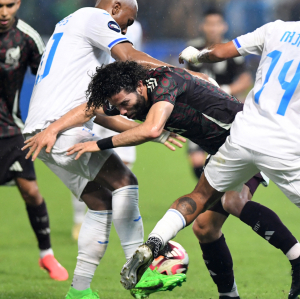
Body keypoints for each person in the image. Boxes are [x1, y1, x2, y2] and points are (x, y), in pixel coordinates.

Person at [123, 0, 300, 298]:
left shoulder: (277, 29)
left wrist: (197, 55)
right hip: (288, 144)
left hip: (244, 134)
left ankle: (155, 242)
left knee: (200, 199)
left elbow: (221, 51)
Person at [45, 60, 300, 299]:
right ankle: (230, 295)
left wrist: (98, 144)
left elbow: (151, 129)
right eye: (119, 107)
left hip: (249, 138)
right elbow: (88, 109)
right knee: (205, 228)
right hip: (223, 150)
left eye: (125, 104)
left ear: (139, 85)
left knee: (233, 201)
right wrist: (52, 129)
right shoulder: (130, 94)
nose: (124, 112)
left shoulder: (164, 82)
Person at [20, 1, 185, 298]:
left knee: (100, 202)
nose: (126, 28)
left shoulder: (71, 25)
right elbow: (128, 57)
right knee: (125, 181)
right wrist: (181, 76)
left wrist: (149, 131)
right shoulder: (95, 17)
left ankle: (79, 291)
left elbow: (98, 112)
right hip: (57, 129)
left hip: (41, 132)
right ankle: (142, 273)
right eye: (127, 20)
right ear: (115, 6)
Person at [0, 0, 68, 281]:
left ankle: (46, 255)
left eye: (10, 5)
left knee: (31, 191)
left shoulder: (27, 38)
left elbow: (47, 81)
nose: (4, 12)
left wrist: (50, 123)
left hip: (10, 129)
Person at [70, 20, 144, 241]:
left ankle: (112, 221)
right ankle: (78, 219)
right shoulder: (93, 24)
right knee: (86, 161)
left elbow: (132, 61)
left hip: (121, 101)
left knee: (123, 168)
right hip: (96, 101)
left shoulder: (136, 28)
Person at [185, 7, 253, 180]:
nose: (213, 28)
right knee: (197, 163)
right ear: (203, 26)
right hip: (198, 114)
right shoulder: (194, 49)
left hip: (224, 115)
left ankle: (216, 200)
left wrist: (225, 90)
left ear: (224, 26)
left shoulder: (231, 50)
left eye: (217, 24)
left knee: (222, 161)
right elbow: (185, 78)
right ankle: (209, 199)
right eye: (209, 24)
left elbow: (245, 79)